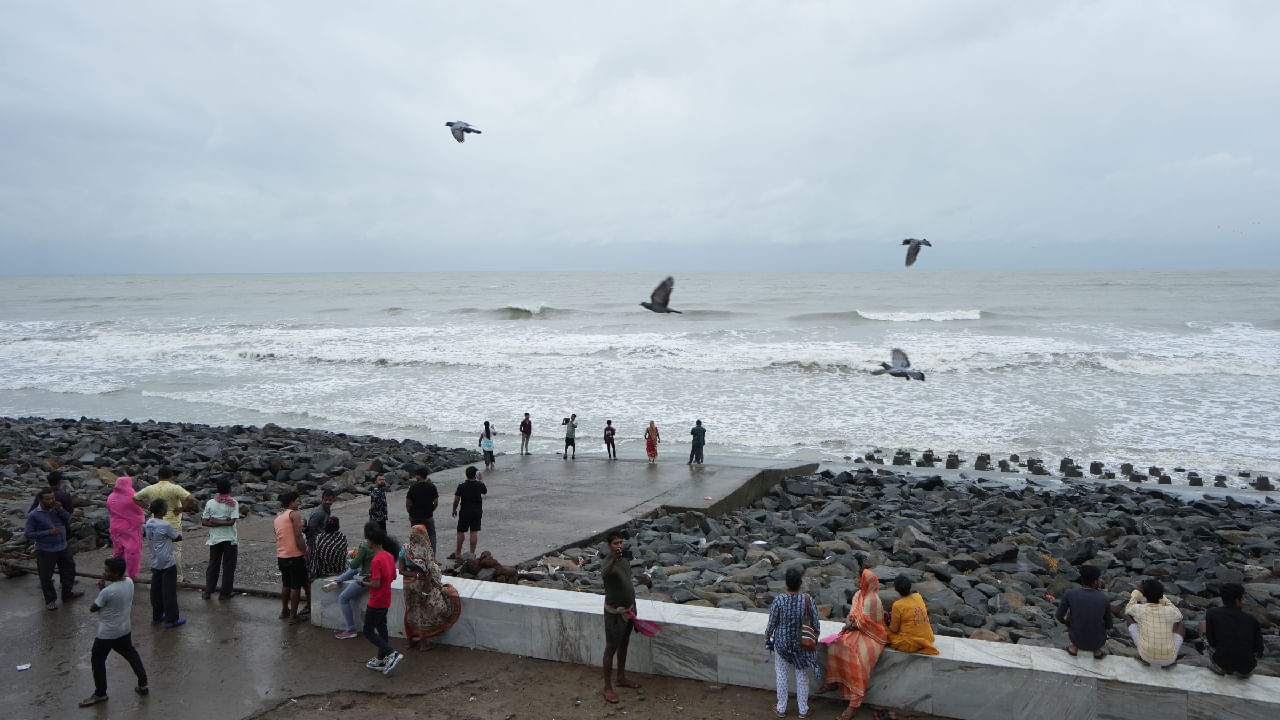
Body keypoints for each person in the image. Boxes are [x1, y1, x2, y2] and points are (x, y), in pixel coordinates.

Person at [78, 557, 148, 707]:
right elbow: (115, 598)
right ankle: (143, 684)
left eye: (107, 571)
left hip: (107, 633)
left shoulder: (107, 592)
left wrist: (101, 590)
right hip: (124, 628)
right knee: (131, 655)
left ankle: (100, 693)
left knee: (97, 660)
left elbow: (93, 608)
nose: (104, 573)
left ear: (116, 574)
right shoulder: (129, 582)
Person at [821, 569, 888, 720]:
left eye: (858, 578)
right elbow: (851, 616)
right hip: (856, 630)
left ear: (865, 582)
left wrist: (849, 626)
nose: (856, 580)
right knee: (834, 646)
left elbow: (864, 624)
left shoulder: (872, 599)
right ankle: (833, 682)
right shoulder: (858, 595)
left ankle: (853, 705)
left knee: (859, 661)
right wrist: (848, 624)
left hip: (872, 636)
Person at [600, 531, 651, 704]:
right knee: (610, 648)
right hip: (614, 614)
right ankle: (607, 687)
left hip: (629, 610)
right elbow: (605, 575)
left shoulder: (625, 561)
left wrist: (634, 605)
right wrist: (613, 560)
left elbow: (627, 582)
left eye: (621, 542)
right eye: (615, 543)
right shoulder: (608, 562)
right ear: (609, 546)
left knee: (624, 644)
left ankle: (621, 677)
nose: (619, 546)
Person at [765, 567, 821, 719]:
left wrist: (767, 636)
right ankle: (803, 710)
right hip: (802, 645)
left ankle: (781, 708)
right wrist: (814, 637)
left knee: (781, 674)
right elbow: (816, 624)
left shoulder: (779, 600)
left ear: (786, 583)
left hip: (782, 643)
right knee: (802, 675)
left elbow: (772, 623)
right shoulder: (807, 600)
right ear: (800, 583)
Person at [399, 524, 462, 651]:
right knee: (422, 613)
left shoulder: (405, 549)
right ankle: (423, 644)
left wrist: (412, 574)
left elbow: (401, 571)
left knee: (410, 611)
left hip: (407, 585)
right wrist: (426, 591)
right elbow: (429, 574)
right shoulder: (425, 551)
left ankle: (410, 642)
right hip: (421, 586)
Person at [133, 467, 195, 582]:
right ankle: (177, 577)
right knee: (175, 551)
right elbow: (190, 498)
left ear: (158, 476)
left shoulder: (150, 488)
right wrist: (181, 509)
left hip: (155, 522)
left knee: (157, 549)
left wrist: (148, 507)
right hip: (172, 522)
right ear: (171, 476)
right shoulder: (175, 488)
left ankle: (159, 573)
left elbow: (135, 498)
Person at [26, 488, 82, 611]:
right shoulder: (33, 515)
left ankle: (67, 594)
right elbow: (28, 533)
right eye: (48, 499)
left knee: (69, 571)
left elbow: (67, 517)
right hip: (45, 549)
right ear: (40, 500)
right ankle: (50, 601)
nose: (51, 501)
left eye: (52, 498)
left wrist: (60, 509)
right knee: (46, 576)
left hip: (62, 546)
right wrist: (48, 533)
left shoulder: (56, 510)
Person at [322, 520, 380, 639]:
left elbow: (353, 564)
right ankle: (337, 581)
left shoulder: (365, 546)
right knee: (356, 570)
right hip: (373, 573)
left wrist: (353, 556)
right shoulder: (379, 544)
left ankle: (351, 629)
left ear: (366, 533)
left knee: (343, 598)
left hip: (365, 578)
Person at [358, 524, 403, 675]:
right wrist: (373, 577)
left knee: (368, 631)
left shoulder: (376, 560)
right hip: (386, 599)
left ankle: (391, 653)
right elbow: (392, 576)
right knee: (382, 629)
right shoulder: (389, 556)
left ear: (371, 541)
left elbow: (376, 584)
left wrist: (363, 583)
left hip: (376, 601)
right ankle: (381, 659)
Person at [1202, 582, 1264, 677]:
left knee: (1202, 624)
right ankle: (1243, 669)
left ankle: (1217, 667)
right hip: (1246, 668)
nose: (1243, 602)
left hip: (1222, 663)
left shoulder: (1212, 613)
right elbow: (1259, 648)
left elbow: (1212, 642)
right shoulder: (1252, 619)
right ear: (1237, 601)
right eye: (1242, 599)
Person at [1125, 578, 1184, 667]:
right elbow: (1179, 616)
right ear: (1161, 595)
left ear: (1143, 594)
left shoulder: (1139, 609)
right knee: (1181, 625)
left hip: (1145, 656)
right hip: (1169, 659)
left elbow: (1128, 609)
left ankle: (1143, 653)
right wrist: (1161, 594)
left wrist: (1137, 591)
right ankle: (1169, 659)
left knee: (1130, 617)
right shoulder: (1170, 610)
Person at [1055, 564, 1111, 658]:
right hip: (1097, 642)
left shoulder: (1070, 594)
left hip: (1076, 639)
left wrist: (1068, 623)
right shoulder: (1104, 598)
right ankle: (1096, 651)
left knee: (1072, 615)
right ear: (1095, 582)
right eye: (1098, 579)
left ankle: (1074, 648)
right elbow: (1109, 624)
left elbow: (1059, 616)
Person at [143, 498, 184, 629]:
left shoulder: (149, 523)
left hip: (155, 561)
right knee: (169, 592)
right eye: (165, 507)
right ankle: (172, 619)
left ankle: (157, 616)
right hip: (167, 562)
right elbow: (177, 537)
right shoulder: (166, 525)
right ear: (162, 511)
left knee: (156, 590)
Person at [200, 476, 239, 601]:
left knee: (213, 565)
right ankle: (225, 593)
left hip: (215, 539)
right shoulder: (233, 503)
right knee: (228, 567)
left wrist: (214, 521)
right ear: (229, 489)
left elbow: (204, 522)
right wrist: (224, 521)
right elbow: (231, 522)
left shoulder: (211, 503)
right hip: (230, 539)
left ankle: (208, 591)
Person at [274, 491, 308, 624]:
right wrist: (304, 552)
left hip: (281, 555)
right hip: (294, 555)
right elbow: (298, 536)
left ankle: (284, 611)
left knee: (286, 584)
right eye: (297, 501)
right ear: (291, 502)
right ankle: (293, 616)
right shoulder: (294, 514)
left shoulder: (278, 518)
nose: (299, 503)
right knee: (295, 586)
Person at [887, 574, 939, 655]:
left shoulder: (897, 605)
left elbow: (894, 629)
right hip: (928, 638)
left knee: (885, 631)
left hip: (911, 643)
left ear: (896, 589)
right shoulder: (918, 596)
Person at [107, 476, 146, 579]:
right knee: (133, 552)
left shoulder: (111, 496)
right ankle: (132, 574)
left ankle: (117, 572)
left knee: (118, 551)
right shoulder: (132, 495)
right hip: (130, 528)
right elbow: (138, 510)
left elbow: (110, 510)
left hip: (115, 527)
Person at [450, 466, 487, 560]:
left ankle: (458, 552)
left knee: (460, 531)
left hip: (465, 511)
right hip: (477, 511)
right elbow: (485, 491)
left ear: (466, 475)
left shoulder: (461, 486)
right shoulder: (479, 485)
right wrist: (481, 479)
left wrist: (454, 509)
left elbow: (456, 500)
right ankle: (472, 553)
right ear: (475, 474)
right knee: (474, 531)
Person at [29, 470, 75, 535]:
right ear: (60, 482)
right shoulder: (65, 495)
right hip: (59, 528)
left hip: (42, 526)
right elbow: (70, 511)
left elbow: (31, 511)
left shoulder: (41, 495)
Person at [405, 465, 440, 552]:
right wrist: (431, 510)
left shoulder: (413, 487)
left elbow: (408, 503)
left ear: (418, 476)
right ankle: (432, 555)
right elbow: (436, 502)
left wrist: (410, 512)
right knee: (431, 535)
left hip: (415, 516)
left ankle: (417, 555)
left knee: (416, 536)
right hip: (428, 515)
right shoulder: (432, 487)